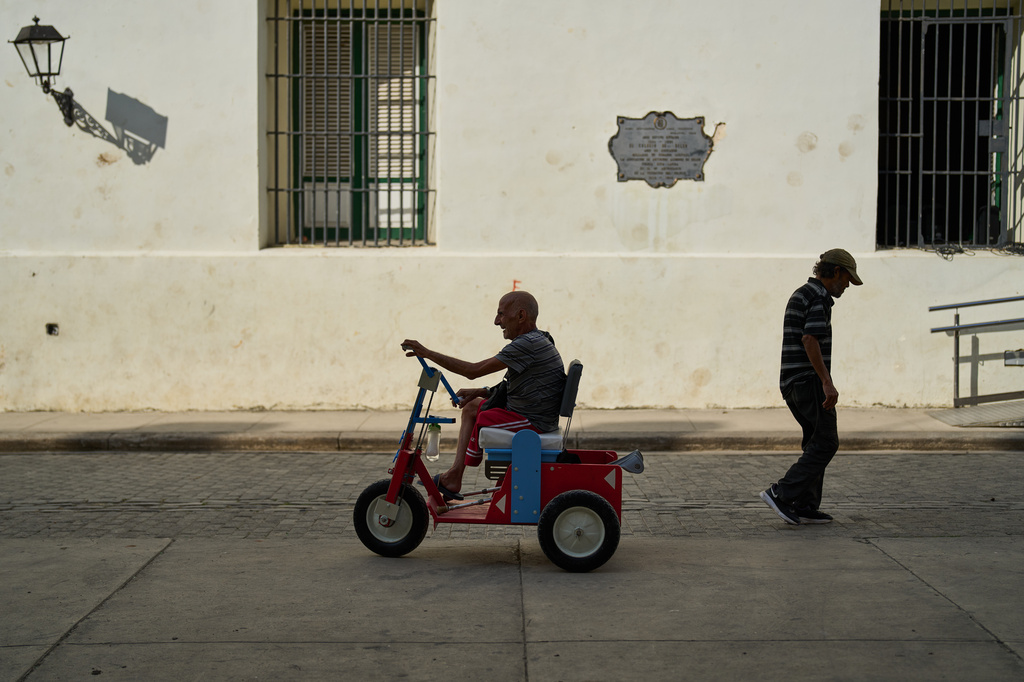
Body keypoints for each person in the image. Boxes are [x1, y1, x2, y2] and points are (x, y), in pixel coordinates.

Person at [401, 291, 566, 500]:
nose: (497, 321)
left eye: (501, 314)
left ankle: (456, 475)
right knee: (472, 407)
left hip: (533, 422)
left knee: (483, 416)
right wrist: (481, 392)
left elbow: (473, 371)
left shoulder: (527, 344)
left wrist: (428, 353)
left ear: (521, 316)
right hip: (529, 413)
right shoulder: (536, 339)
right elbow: (515, 384)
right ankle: (454, 476)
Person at [760, 249, 863, 525]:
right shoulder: (819, 297)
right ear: (836, 272)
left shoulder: (803, 292)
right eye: (847, 280)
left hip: (792, 383)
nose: (847, 286)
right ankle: (781, 493)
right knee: (827, 442)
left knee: (815, 443)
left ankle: (805, 504)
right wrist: (827, 382)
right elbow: (809, 339)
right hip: (808, 382)